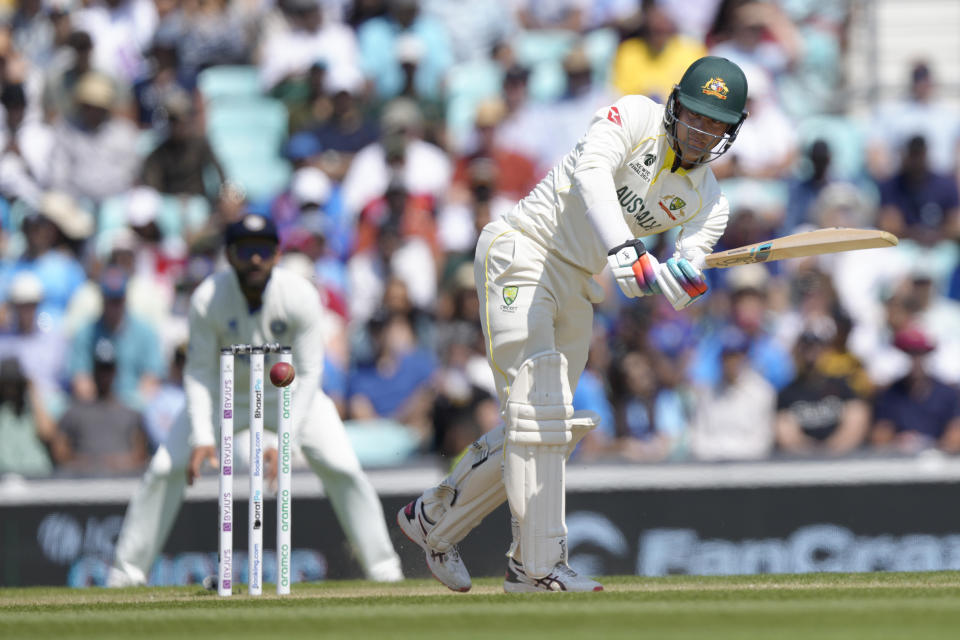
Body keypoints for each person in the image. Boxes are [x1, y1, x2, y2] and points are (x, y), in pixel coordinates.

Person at [397, 56, 749, 592]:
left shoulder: (710, 202)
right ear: (676, 105)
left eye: (715, 125)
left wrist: (681, 280)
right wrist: (626, 250)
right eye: (695, 117)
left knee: (547, 424)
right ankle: (538, 567)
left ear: (730, 131)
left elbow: (688, 265)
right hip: (524, 251)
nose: (701, 134)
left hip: (579, 283)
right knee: (538, 406)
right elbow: (591, 175)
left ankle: (439, 518)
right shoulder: (633, 116)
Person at [107, 214, 403, 587]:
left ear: (277, 254)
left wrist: (286, 440)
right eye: (246, 251)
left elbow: (311, 372)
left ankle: (385, 571)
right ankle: (125, 575)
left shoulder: (298, 296)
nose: (256, 259)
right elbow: (198, 373)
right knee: (165, 469)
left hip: (290, 396)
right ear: (230, 255)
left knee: (343, 468)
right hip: (225, 395)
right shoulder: (207, 299)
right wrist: (201, 434)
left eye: (263, 250)